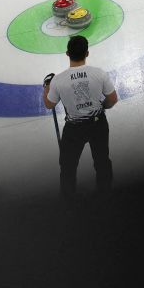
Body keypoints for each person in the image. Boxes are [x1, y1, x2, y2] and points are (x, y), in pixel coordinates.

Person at [42, 35, 118, 201]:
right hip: (98, 124)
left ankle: (68, 199)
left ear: (67, 53)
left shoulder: (58, 81)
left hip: (74, 128)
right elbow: (112, 99)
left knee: (68, 166)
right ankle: (106, 195)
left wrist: (47, 87)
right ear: (87, 53)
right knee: (102, 160)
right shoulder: (99, 74)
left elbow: (49, 104)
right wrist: (101, 108)